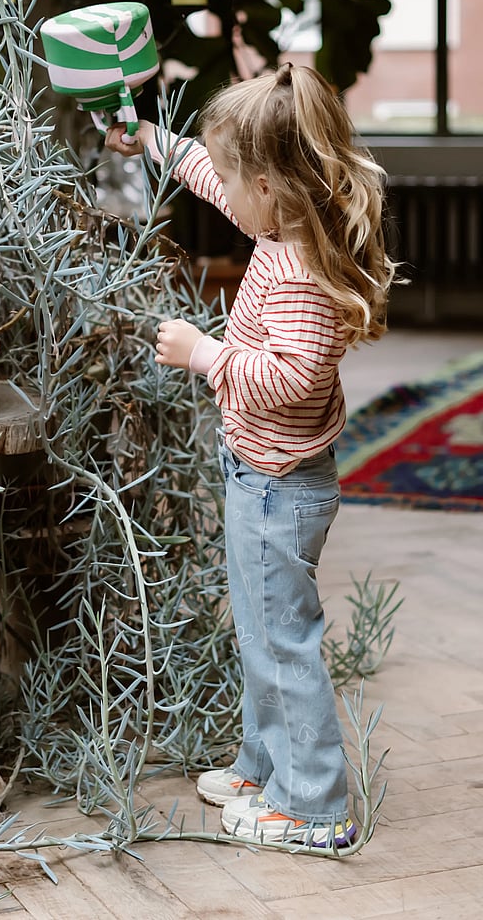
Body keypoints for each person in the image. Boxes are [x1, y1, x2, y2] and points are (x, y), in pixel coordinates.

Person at [104, 62, 395, 847]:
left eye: (235, 181)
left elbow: (293, 381)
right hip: (262, 475)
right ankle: (266, 760)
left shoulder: (298, 270)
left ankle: (313, 805)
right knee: (258, 631)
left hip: (278, 484)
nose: (222, 194)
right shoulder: (284, 223)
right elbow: (207, 172)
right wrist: (152, 142)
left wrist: (206, 354)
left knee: (280, 640)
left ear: (266, 186)